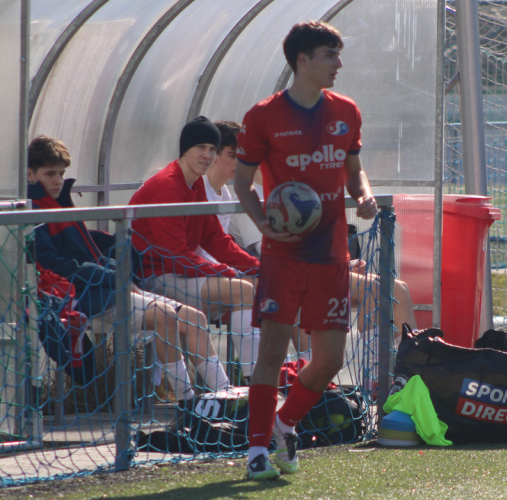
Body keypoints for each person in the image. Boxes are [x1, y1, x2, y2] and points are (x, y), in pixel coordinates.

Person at [233, 21, 378, 480]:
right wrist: (263, 222)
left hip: (331, 254)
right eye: (330, 55)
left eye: (338, 54)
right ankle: (257, 450)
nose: (339, 64)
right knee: (272, 352)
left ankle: (285, 423)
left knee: (331, 358)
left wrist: (363, 195)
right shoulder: (264, 116)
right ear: (303, 61)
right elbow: (242, 182)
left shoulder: (347, 111)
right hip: (284, 256)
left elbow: (354, 170)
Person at [27, 136, 226, 414]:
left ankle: (225, 396)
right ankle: (188, 403)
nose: (58, 180)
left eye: (61, 173)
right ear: (30, 175)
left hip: (106, 288)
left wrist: (117, 272)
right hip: (80, 297)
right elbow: (53, 265)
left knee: (196, 318)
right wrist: (115, 276)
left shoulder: (58, 205)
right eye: (50, 174)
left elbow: (88, 251)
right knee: (164, 316)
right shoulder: (33, 212)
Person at [199, 120, 417, 372]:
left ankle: (397, 375)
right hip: (292, 276)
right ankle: (382, 377)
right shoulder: (247, 195)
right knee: (383, 290)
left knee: (394, 289)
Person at [127, 117, 261, 383]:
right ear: (184, 150)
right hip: (154, 278)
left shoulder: (196, 183)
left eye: (212, 149)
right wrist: (228, 272)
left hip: (180, 273)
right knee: (244, 289)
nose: (207, 155)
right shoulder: (166, 185)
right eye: (200, 147)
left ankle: (270, 377)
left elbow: (216, 239)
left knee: (262, 284)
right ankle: (248, 383)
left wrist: (259, 268)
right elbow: (176, 257)